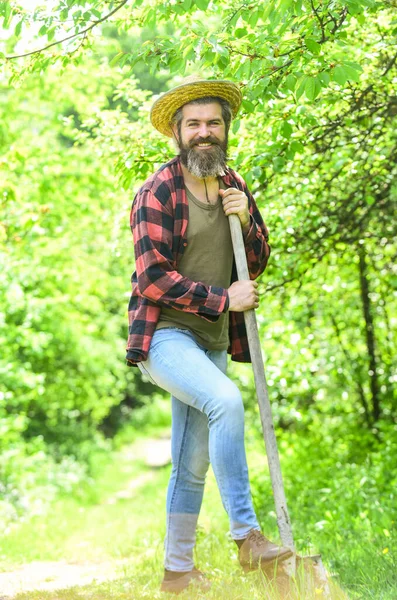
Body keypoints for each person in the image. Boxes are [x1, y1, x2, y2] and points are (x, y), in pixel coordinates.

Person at [126, 78, 293, 594]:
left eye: (213, 123)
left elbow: (257, 261)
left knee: (192, 457)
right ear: (177, 132)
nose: (204, 132)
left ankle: (177, 572)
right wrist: (224, 300)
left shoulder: (231, 186)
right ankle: (246, 536)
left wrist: (245, 222)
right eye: (193, 124)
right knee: (225, 400)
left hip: (213, 340)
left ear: (225, 130)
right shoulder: (157, 191)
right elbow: (151, 277)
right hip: (166, 336)